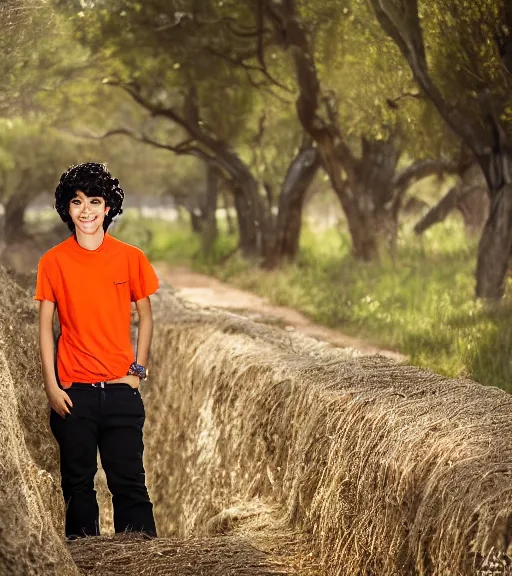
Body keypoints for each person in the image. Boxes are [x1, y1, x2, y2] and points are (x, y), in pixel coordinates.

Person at [33, 162, 158, 539]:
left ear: (108, 208)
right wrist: (52, 388)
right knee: (78, 489)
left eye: (94, 201)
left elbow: (146, 319)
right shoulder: (52, 261)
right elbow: (44, 327)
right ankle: (84, 564)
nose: (85, 210)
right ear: (66, 209)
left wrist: (137, 372)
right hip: (73, 396)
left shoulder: (130, 257)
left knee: (131, 487)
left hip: (121, 392)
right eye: (76, 202)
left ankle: (140, 562)